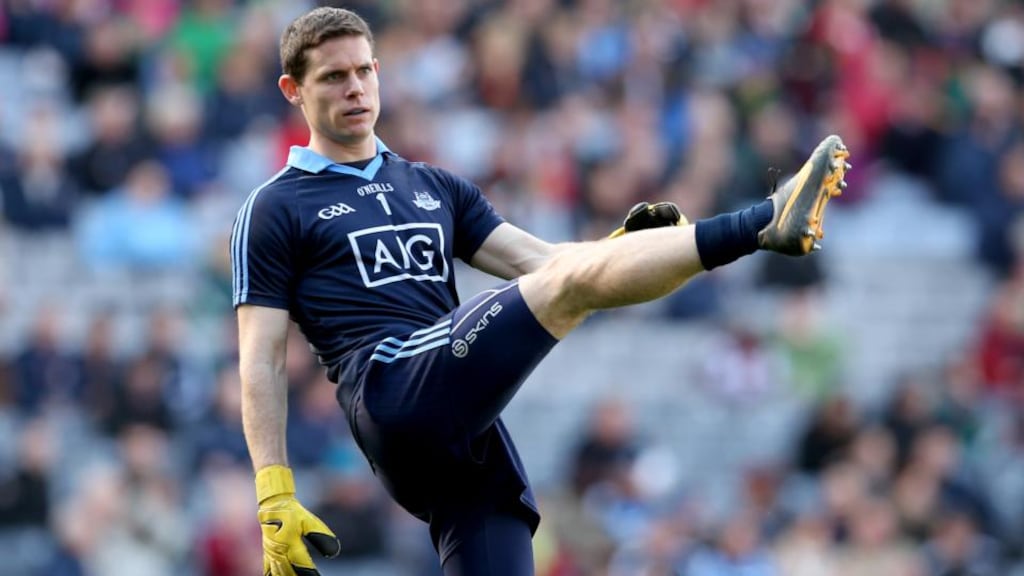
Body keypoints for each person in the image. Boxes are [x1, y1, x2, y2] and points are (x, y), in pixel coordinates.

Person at [230, 7, 851, 576]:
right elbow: (261, 357)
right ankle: (764, 222)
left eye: (365, 70)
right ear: (293, 90)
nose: (356, 88)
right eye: (334, 76)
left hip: (462, 420)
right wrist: (274, 492)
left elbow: (547, 264)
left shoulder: (433, 185)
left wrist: (619, 252)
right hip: (391, 388)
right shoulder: (276, 206)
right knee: (572, 284)